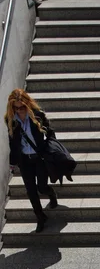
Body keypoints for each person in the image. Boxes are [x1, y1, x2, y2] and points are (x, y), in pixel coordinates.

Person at [5, 89, 58, 233]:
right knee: (31, 191)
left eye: (22, 107)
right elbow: (13, 143)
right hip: (24, 160)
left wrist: (49, 144)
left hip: (39, 158)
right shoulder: (10, 120)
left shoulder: (38, 115)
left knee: (41, 187)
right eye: (16, 107)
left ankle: (51, 193)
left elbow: (51, 133)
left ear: (27, 104)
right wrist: (12, 161)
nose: (19, 110)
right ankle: (40, 217)